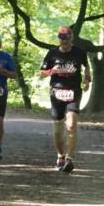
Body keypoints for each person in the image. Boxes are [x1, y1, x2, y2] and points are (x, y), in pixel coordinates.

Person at [39, 25, 91, 173]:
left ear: (72, 38)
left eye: (67, 38)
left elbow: (86, 67)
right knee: (57, 128)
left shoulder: (80, 53)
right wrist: (51, 71)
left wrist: (87, 81)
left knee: (71, 125)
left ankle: (69, 159)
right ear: (58, 39)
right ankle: (60, 156)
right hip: (56, 92)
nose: (65, 41)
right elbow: (41, 73)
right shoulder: (52, 53)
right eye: (62, 38)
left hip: (74, 92)